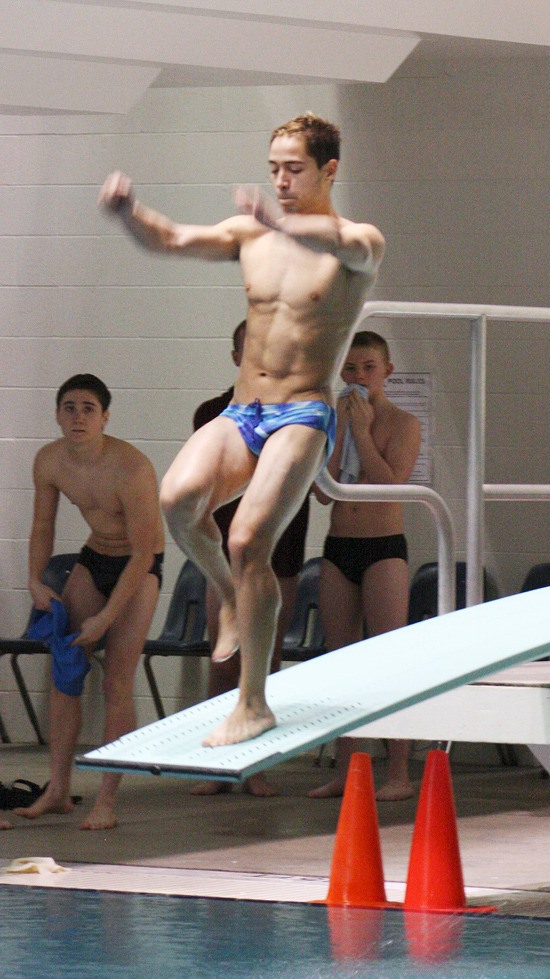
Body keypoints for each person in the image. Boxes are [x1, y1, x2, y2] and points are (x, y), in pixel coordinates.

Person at [98, 112, 385, 747]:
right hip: (244, 409)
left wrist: (282, 223)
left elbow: (346, 246)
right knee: (178, 501)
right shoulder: (252, 235)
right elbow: (172, 238)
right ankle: (230, 596)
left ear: (329, 170)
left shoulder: (358, 241)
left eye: (294, 169)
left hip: (303, 414)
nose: (280, 181)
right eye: (273, 169)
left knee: (250, 538)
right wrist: (128, 212)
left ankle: (253, 702)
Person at [14, 374, 164, 830]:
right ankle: (58, 789)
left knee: (117, 680)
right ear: (58, 415)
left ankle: (107, 800)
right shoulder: (50, 461)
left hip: (138, 567)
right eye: (70, 408)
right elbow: (43, 526)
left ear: (105, 417)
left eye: (88, 409)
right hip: (95, 556)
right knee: (66, 669)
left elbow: (143, 553)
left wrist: (106, 616)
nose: (78, 417)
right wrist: (35, 580)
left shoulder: (131, 468)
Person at [192, 319, 310, 796]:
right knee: (222, 658)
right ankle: (215, 764)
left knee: (266, 659)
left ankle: (256, 763)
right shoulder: (212, 414)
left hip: (280, 550)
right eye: (250, 349)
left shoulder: (299, 413)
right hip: (225, 551)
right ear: (236, 356)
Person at [308, 331, 421, 801]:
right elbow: (322, 491)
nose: (359, 376)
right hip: (340, 546)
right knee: (341, 665)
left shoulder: (403, 423)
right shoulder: (330, 421)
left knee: (389, 662)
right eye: (351, 368)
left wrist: (361, 432)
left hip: (383, 549)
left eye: (368, 367)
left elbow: (389, 485)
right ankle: (347, 769)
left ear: (387, 371)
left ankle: (397, 771)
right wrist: (340, 431)